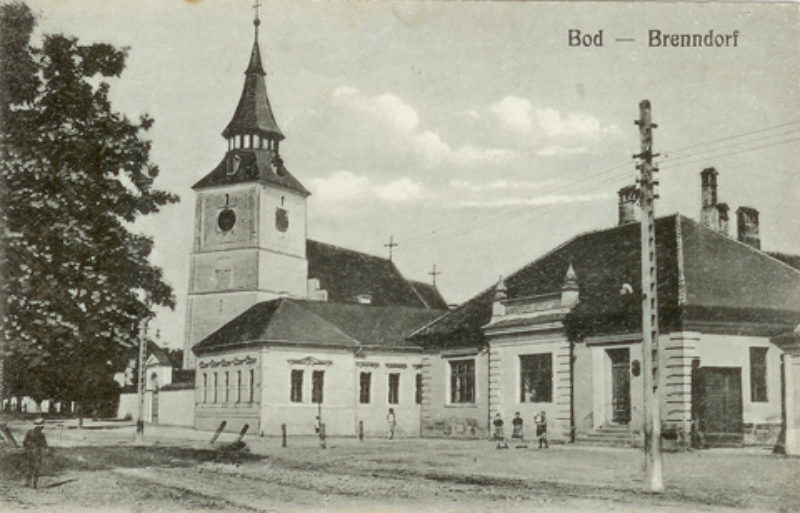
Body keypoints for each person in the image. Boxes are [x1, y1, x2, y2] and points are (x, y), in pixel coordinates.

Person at [23, 418, 48, 489]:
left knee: (30, 466)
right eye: (41, 426)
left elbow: (24, 442)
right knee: (35, 467)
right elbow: (44, 444)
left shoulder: (30, 432)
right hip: (36, 453)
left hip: (30, 452)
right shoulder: (41, 435)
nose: (42, 428)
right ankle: (32, 483)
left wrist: (27, 448)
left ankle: (28, 482)